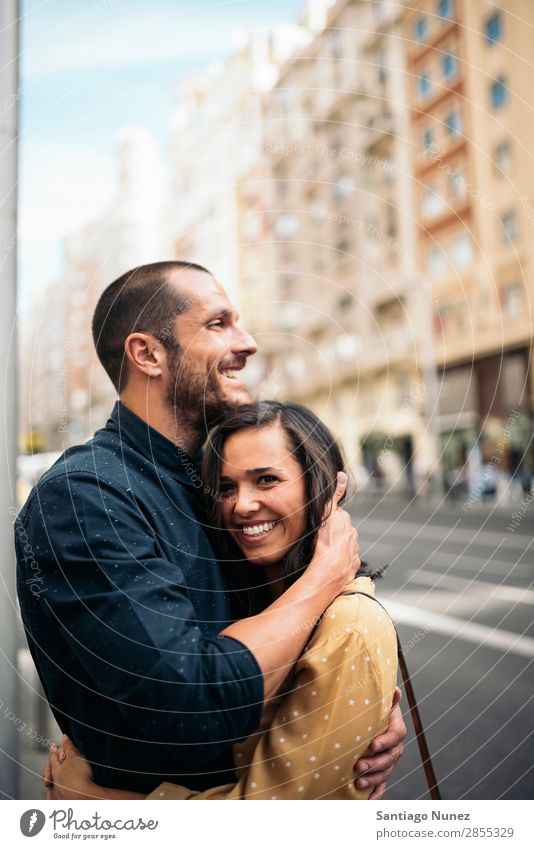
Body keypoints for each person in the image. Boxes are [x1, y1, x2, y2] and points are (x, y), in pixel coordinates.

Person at [16, 261, 405, 797]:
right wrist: (323, 579)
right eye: (218, 323)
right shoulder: (86, 498)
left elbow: (296, 652)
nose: (247, 343)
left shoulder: (213, 483)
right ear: (147, 353)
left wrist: (346, 716)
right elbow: (189, 706)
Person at [46, 402, 399, 800]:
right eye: (227, 487)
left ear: (321, 487)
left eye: (266, 479)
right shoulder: (249, 604)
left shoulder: (349, 626)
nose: (242, 505)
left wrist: (100, 805)